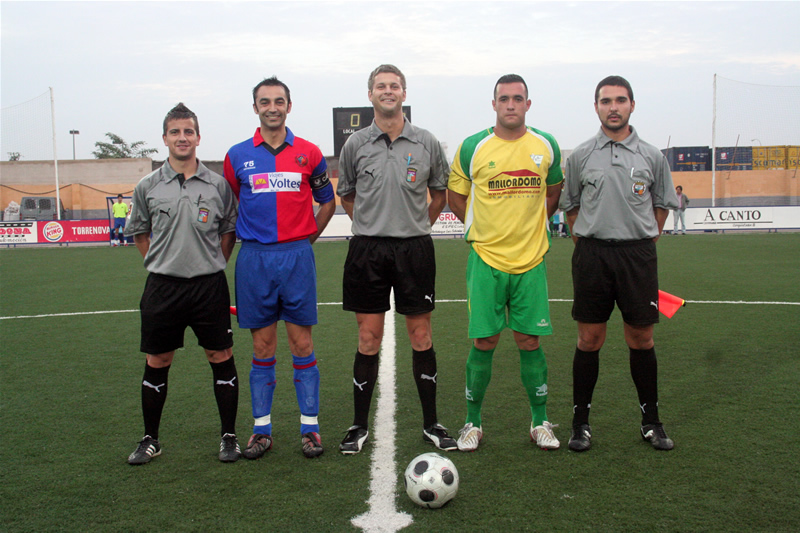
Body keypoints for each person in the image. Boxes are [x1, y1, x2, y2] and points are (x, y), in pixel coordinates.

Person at [337, 64, 455, 454]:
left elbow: (439, 194)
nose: (388, 91)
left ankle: (432, 423)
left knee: (421, 335)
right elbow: (347, 195)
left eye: (394, 86)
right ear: (370, 94)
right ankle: (358, 426)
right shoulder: (355, 144)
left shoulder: (426, 142)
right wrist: (369, 223)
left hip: (414, 249)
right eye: (381, 86)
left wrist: (417, 225)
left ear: (404, 93)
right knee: (368, 338)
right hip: (367, 251)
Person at [559, 75, 679, 452]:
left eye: (620, 100)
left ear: (632, 105)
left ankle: (651, 422)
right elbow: (571, 207)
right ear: (596, 107)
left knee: (641, 338)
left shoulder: (652, 156)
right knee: (589, 339)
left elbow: (662, 206)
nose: (613, 107)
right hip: (592, 255)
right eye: (606, 101)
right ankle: (580, 424)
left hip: (637, 256)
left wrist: (640, 238)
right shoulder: (580, 155)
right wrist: (589, 241)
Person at [448, 74, 564, 452]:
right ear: (494, 104)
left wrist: (531, 229)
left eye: (517, 98)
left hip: (531, 261)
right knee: (484, 340)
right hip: (486, 260)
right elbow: (455, 197)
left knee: (529, 340)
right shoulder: (472, 147)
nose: (510, 104)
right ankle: (473, 423)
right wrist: (482, 231)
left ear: (528, 104)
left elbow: (553, 193)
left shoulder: (546, 146)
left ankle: (539, 422)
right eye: (504, 98)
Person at [224, 77, 335, 459]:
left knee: (302, 344)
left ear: (289, 106)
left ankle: (310, 429)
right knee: (262, 346)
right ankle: (261, 431)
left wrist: (305, 241)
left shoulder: (310, 153)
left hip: (296, 258)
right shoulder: (237, 156)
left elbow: (327, 202)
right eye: (265, 101)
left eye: (279, 101)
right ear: (255, 107)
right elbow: (232, 205)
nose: (272, 107)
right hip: (254, 259)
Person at [127, 103, 240, 465]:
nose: (182, 138)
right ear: (165, 138)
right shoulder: (147, 186)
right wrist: (159, 263)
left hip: (208, 286)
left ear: (198, 137)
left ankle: (229, 437)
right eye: (175, 132)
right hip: (163, 287)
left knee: (220, 356)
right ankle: (150, 439)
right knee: (158, 359)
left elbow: (228, 231)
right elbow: (140, 232)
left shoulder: (218, 184)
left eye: (188, 131)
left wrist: (214, 263)